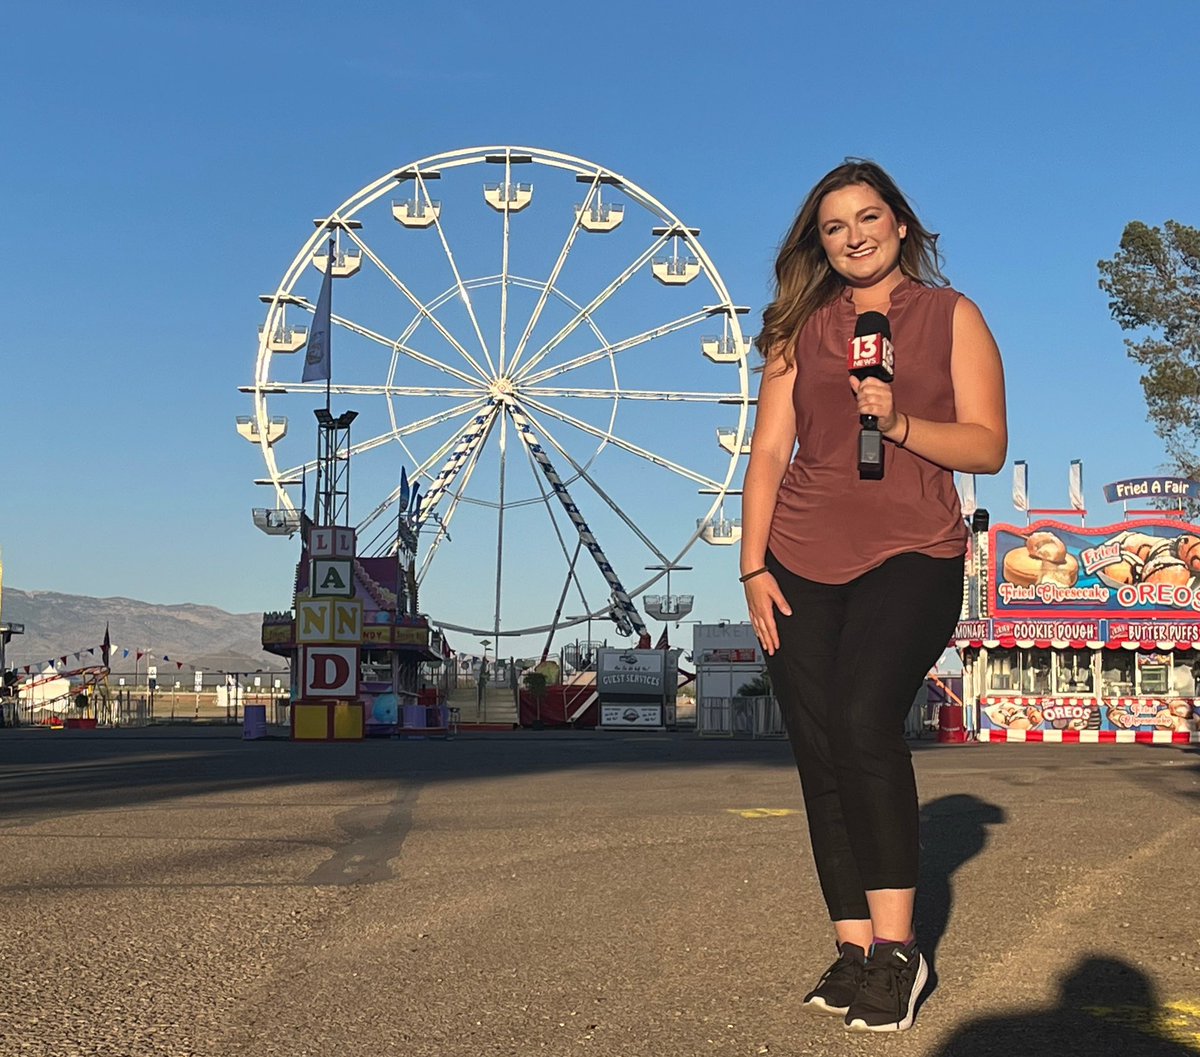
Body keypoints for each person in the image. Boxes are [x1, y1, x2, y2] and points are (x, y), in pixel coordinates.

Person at [741, 160, 1007, 1032]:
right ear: (817, 242)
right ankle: (852, 947)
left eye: (867, 218)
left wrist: (895, 422)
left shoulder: (952, 316)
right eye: (832, 226)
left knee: (862, 722)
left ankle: (899, 951)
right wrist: (753, 568)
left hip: (913, 549)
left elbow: (986, 444)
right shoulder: (796, 331)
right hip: (799, 558)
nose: (852, 236)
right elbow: (771, 455)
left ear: (899, 224)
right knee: (820, 750)